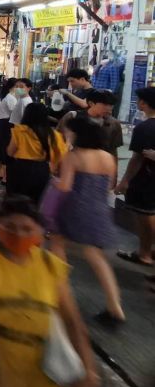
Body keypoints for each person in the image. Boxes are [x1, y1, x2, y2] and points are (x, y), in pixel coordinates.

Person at [0, 196, 98, 387]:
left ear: (39, 233)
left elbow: (73, 321)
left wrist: (87, 368)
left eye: (26, 228)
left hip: (40, 385)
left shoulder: (50, 266)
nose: (18, 234)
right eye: (10, 227)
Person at [52, 117, 125, 323]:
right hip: (99, 209)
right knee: (96, 256)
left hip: (74, 208)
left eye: (69, 133)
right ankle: (115, 307)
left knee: (57, 244)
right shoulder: (108, 157)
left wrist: (53, 183)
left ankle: (59, 295)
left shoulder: (74, 156)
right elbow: (110, 184)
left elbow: (65, 187)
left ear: (77, 135)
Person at [116, 88, 155, 267]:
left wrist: (125, 181)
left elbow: (136, 159)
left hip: (146, 180)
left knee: (145, 216)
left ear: (143, 103)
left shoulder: (144, 128)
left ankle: (145, 253)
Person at [57, 90, 124, 185]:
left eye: (111, 105)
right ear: (91, 103)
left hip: (98, 175)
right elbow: (57, 141)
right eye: (105, 104)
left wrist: (114, 177)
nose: (109, 109)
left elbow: (113, 150)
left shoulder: (114, 124)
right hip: (71, 169)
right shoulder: (73, 117)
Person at [6, 103, 67, 203]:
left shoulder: (20, 131)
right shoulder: (55, 135)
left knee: (16, 201)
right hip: (42, 171)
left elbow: (10, 152)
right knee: (37, 202)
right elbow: (61, 157)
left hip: (20, 169)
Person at [0, 78, 17, 182]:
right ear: (13, 87)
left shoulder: (8, 97)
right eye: (19, 86)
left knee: (1, 147)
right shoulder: (11, 98)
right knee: (6, 148)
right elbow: (15, 112)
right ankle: (5, 176)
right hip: (7, 124)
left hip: (3, 124)